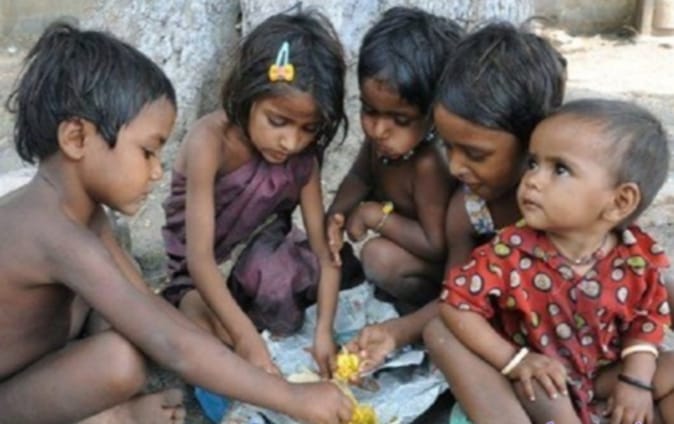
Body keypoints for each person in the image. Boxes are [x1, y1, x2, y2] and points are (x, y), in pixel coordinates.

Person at [0, 23, 353, 424]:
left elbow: (144, 302)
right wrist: (291, 398)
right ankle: (112, 418)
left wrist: (239, 346)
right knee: (123, 358)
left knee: (122, 327)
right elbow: (170, 344)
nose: (157, 173)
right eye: (147, 152)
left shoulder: (84, 214)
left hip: (38, 357)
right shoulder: (56, 233)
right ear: (77, 139)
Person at [438, 98, 674, 423]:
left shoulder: (636, 259)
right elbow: (456, 304)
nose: (533, 179)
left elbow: (647, 321)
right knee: (542, 389)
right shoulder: (510, 251)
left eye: (560, 169)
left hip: (605, 375)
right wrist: (516, 360)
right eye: (533, 163)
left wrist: (636, 383)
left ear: (620, 202)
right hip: (546, 377)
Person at [161, 10, 349, 379]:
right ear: (248, 95)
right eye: (278, 122)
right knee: (207, 338)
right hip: (202, 272)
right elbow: (199, 261)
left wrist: (324, 332)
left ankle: (253, 315)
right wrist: (247, 339)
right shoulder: (210, 142)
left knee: (290, 274)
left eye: (309, 129)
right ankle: (239, 321)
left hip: (260, 256)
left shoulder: (303, 160)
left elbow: (325, 256)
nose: (291, 142)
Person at [324, 6, 463, 370]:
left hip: (442, 272)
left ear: (433, 116)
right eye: (369, 111)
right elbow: (359, 178)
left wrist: (376, 216)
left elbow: (436, 244)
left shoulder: (429, 165)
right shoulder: (382, 143)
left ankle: (421, 316)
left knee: (378, 257)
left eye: (400, 119)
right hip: (411, 249)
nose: (379, 129)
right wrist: (336, 215)